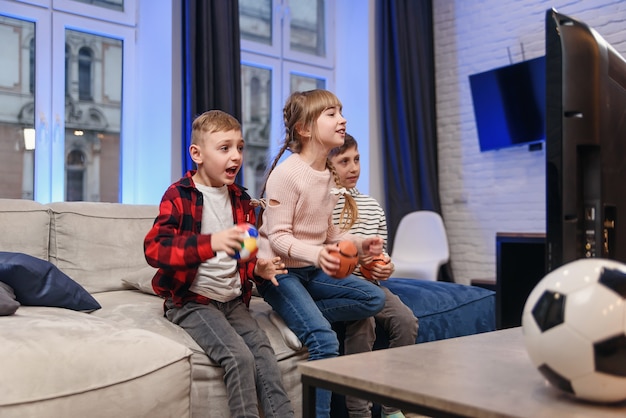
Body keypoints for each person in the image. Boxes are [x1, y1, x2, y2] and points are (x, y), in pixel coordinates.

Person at [144, 110, 294, 418]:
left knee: (264, 355)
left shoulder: (240, 199)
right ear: (197, 154)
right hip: (191, 301)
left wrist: (257, 269)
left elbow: (242, 258)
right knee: (238, 357)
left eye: (239, 147)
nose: (236, 156)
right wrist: (210, 243)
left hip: (233, 301)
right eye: (224, 148)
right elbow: (155, 249)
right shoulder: (180, 194)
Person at [254, 90, 386, 418]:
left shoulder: (327, 174)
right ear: (305, 129)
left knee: (373, 299)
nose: (342, 119)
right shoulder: (286, 175)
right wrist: (317, 255)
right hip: (281, 272)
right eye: (331, 113)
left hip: (309, 272)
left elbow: (330, 234)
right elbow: (280, 237)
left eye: (340, 112)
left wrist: (359, 244)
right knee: (324, 340)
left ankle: (295, 315)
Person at [329, 133, 419, 418]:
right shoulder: (322, 205)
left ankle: (393, 408)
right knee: (363, 323)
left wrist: (385, 267)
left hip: (369, 282)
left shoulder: (372, 206)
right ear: (328, 166)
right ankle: (359, 412)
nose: (353, 168)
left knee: (406, 321)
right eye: (344, 161)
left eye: (356, 159)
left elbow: (381, 255)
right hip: (337, 284)